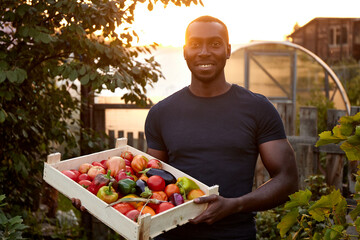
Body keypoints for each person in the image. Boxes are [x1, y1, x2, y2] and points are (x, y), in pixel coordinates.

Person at [144, 15, 298, 240]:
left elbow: (288, 179)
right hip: (171, 235)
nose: (204, 52)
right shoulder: (161, 113)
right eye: (195, 44)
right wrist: (93, 198)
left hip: (234, 234)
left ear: (227, 50)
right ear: (185, 51)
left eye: (214, 44)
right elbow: (151, 183)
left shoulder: (257, 108)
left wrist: (234, 205)